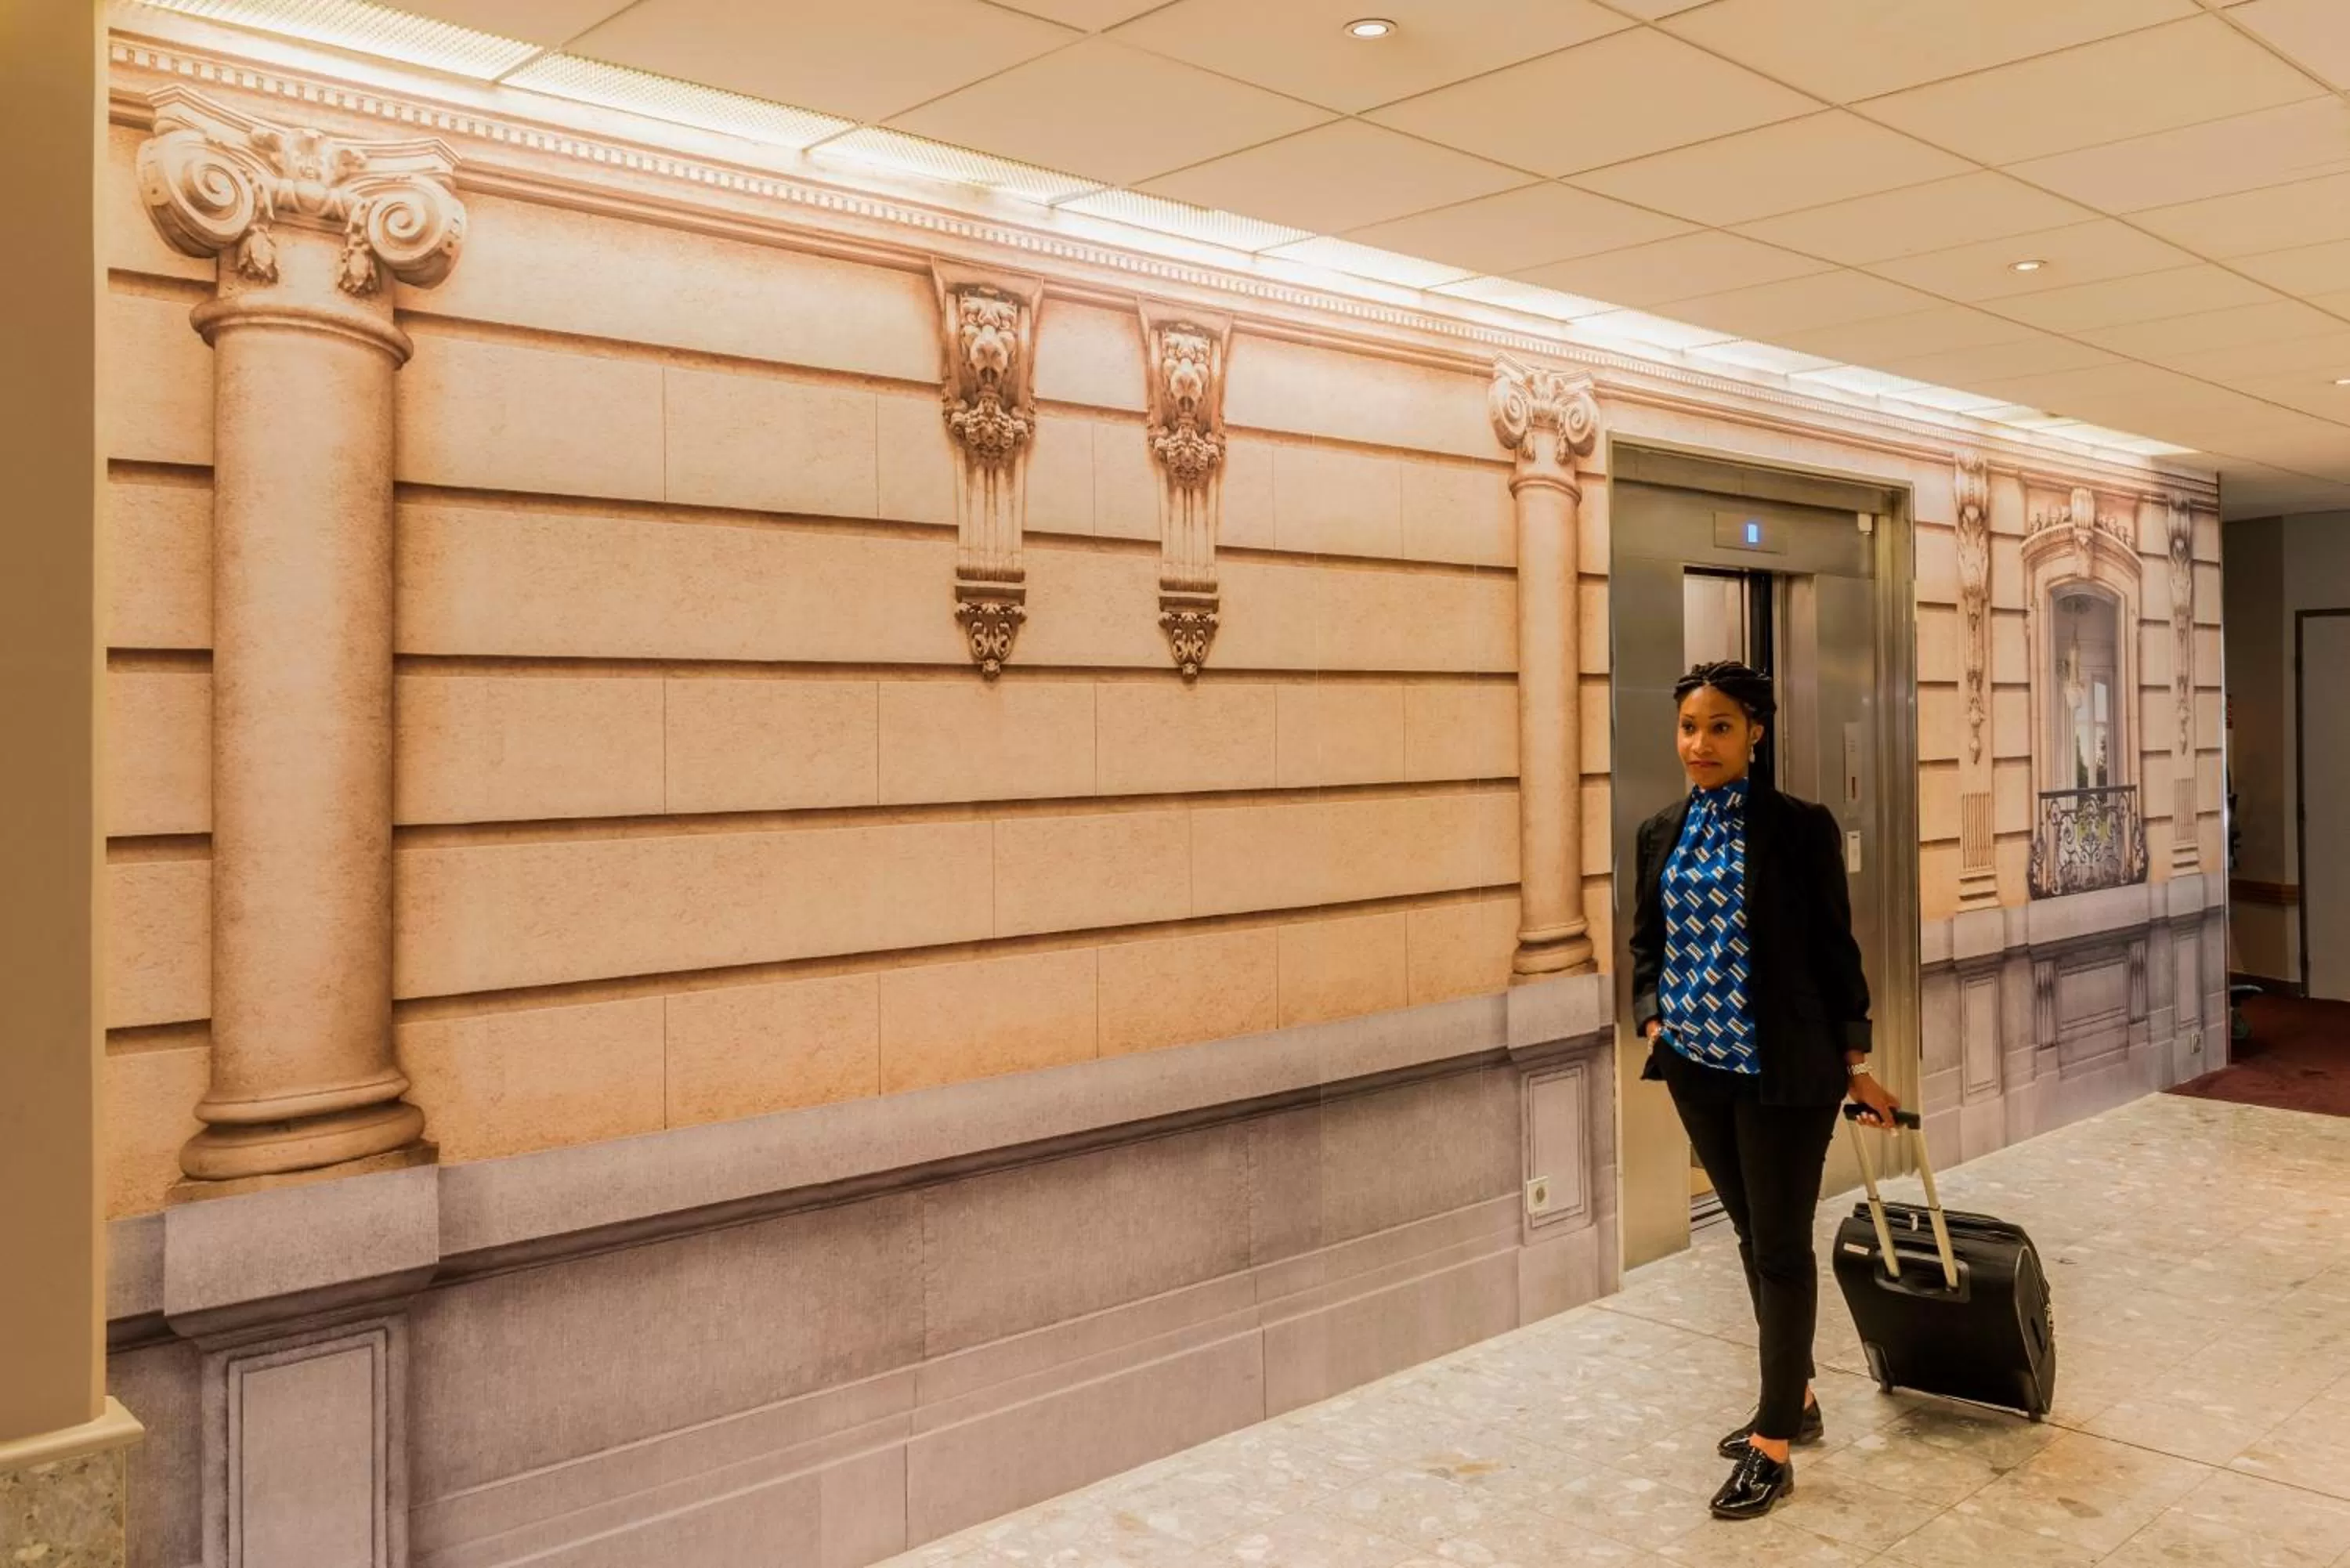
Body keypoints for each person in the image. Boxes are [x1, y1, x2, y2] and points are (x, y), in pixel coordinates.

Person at [1629, 659, 1899, 1521]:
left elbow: (1835, 948)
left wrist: (1857, 1063)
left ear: (1756, 732)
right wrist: (1653, 1017)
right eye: (1687, 727)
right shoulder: (1660, 830)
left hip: (1783, 1068)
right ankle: (1802, 1399)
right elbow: (1645, 942)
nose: (1698, 743)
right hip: (1697, 1066)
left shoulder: (1797, 828)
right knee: (1750, 1235)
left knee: (1780, 1247)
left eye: (1717, 726)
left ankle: (1776, 1443)